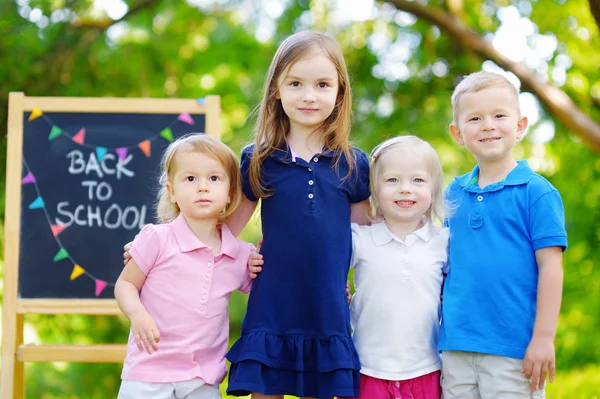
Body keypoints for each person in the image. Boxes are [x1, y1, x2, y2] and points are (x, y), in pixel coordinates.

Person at [224, 31, 371, 399]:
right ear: (276, 88)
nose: (309, 95)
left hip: (327, 306)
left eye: (322, 84)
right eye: (295, 83)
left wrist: (357, 278)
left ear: (340, 92)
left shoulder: (353, 164)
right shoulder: (258, 159)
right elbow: (226, 232)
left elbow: (369, 237)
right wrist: (158, 246)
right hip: (272, 304)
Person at [439, 71, 568, 398]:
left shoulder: (537, 192)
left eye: (499, 115)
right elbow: (437, 260)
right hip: (456, 345)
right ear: (458, 133)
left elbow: (551, 268)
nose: (488, 125)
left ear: (521, 126)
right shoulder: (453, 193)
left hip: (514, 349)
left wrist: (543, 338)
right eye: (475, 118)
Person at [115, 134, 255, 399]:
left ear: (230, 193)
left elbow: (268, 288)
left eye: (214, 179)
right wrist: (138, 314)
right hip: (147, 373)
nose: (202, 187)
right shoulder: (156, 238)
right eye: (190, 179)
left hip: (202, 379)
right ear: (172, 191)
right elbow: (125, 284)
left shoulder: (239, 255)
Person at [348, 135, 448, 399]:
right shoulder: (359, 239)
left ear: (433, 189)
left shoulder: (444, 242)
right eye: (392, 180)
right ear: (375, 189)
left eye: (418, 180)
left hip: (426, 370)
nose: (405, 189)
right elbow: (319, 268)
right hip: (366, 370)